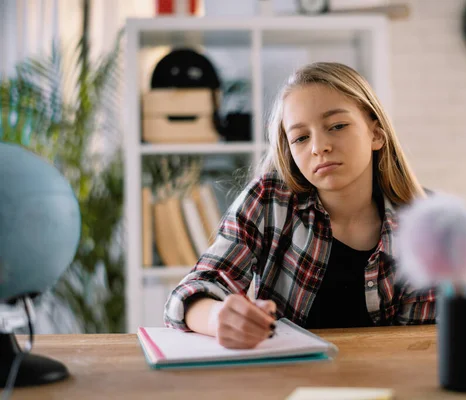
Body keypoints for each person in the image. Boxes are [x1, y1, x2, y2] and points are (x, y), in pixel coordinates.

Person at [164, 62, 436, 349]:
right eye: (301, 137)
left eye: (337, 126)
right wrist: (218, 317)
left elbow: (419, 344)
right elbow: (189, 293)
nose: (319, 147)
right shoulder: (270, 201)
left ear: (376, 134)